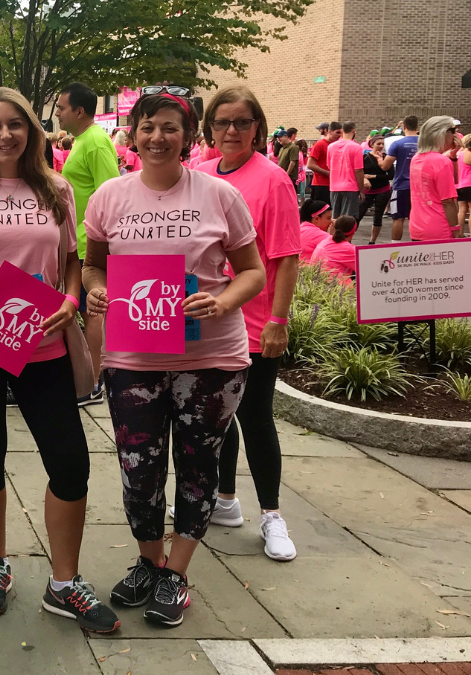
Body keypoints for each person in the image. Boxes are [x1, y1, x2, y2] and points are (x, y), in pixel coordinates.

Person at [0, 87, 120, 633]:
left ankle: (64, 583)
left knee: (70, 461)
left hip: (41, 342)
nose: (5, 134)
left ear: (32, 130)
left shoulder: (56, 189)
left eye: (16, 124)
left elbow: (74, 260)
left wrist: (72, 298)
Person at [81, 90, 265, 627]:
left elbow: (252, 270)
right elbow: (95, 266)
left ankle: (176, 573)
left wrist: (224, 299)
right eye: (147, 127)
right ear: (132, 134)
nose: (157, 137)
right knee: (138, 467)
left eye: (169, 128)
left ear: (188, 136)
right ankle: (149, 561)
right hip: (134, 355)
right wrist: (95, 290)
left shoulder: (219, 195)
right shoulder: (109, 198)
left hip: (209, 356)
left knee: (196, 462)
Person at [195, 85, 300, 562]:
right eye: (222, 122)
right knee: (218, 415)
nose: (231, 131)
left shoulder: (272, 179)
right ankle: (225, 499)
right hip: (207, 321)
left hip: (256, 324)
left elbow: (286, 257)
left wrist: (279, 320)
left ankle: (272, 515)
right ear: (209, 127)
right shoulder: (199, 173)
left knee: (255, 417)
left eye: (242, 122)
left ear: (258, 127)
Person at [56, 82, 121, 407]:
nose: (56, 112)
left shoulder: (95, 142)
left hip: (90, 246)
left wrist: (102, 248)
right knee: (87, 311)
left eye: (61, 107)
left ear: (78, 111)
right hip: (78, 243)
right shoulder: (82, 141)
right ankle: (90, 378)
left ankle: (94, 382)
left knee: (93, 312)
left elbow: (110, 194)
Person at [407, 116, 461, 241]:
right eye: (453, 130)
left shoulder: (416, 158)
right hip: (439, 227)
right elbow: (448, 201)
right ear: (442, 133)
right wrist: (456, 229)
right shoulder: (441, 161)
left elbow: (454, 181)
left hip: (417, 225)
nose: (456, 134)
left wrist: (453, 156)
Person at [381, 115, 420, 242]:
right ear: (417, 126)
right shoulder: (423, 143)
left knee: (398, 218)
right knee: (419, 217)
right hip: (420, 186)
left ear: (404, 127)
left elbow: (385, 166)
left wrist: (378, 159)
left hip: (402, 185)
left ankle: (395, 246)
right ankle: (418, 244)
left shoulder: (397, 143)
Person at [359, 135, 393, 243]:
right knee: (358, 214)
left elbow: (391, 175)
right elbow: (358, 172)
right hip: (367, 191)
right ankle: (348, 238)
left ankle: (372, 241)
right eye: (378, 144)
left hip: (382, 190)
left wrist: (373, 176)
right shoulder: (364, 158)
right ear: (372, 144)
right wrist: (364, 178)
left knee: (378, 217)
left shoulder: (386, 157)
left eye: (383, 144)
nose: (381, 146)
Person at [326, 122, 363, 218]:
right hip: (350, 187)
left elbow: (329, 166)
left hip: (334, 187)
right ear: (354, 131)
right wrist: (361, 190)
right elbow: (358, 170)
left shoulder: (331, 147)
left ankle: (333, 233)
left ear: (342, 131)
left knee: (335, 218)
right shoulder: (357, 147)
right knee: (347, 219)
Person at [310, 215, 357, 281]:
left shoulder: (324, 241)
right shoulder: (348, 249)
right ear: (353, 234)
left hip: (317, 283)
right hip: (337, 286)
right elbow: (367, 267)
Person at [307, 121, 342, 203]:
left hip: (335, 184)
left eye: (341, 133)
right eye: (337, 132)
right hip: (321, 184)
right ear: (330, 131)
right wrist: (328, 173)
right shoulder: (319, 144)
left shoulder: (337, 145)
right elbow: (310, 164)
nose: (339, 135)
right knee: (321, 211)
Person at [456, 135, 471, 236]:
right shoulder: (469, 154)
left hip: (460, 185)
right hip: (469, 184)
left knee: (461, 210)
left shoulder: (459, 153)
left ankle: (460, 234)